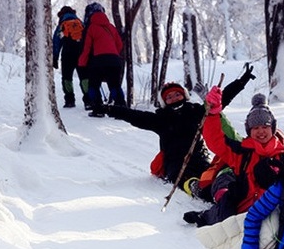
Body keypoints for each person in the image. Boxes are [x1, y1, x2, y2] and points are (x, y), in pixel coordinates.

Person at [106, 65, 255, 191]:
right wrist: (110, 110)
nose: (173, 98)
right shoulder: (160, 119)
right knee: (181, 177)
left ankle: (222, 190)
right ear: (164, 102)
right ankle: (194, 189)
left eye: (177, 94)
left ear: (184, 95)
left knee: (210, 174)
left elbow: (222, 99)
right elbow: (134, 116)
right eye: (169, 97)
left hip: (199, 157)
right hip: (175, 164)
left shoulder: (196, 111)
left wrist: (241, 81)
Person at [182, 88, 284, 227]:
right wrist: (213, 114)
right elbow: (216, 141)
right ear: (249, 131)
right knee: (226, 208)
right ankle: (205, 216)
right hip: (242, 209)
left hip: (271, 210)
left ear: (273, 128)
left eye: (265, 126)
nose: (261, 131)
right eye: (255, 128)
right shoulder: (242, 151)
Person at [78, 2, 125, 117]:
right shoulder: (111, 27)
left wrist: (82, 62)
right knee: (114, 85)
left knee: (93, 85)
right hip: (115, 61)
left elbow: (87, 48)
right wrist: (112, 55)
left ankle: (98, 109)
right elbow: (119, 45)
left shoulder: (91, 28)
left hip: (98, 61)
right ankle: (122, 109)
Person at [52, 6, 89, 108]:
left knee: (67, 77)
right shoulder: (80, 23)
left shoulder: (62, 25)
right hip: (81, 53)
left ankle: (69, 100)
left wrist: (54, 57)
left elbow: (56, 41)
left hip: (67, 54)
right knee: (84, 77)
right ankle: (88, 99)